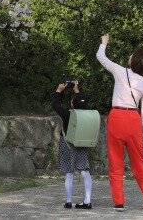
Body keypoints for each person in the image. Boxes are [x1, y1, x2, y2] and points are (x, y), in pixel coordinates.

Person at [97, 33, 143, 211]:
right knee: (139, 163)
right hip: (134, 120)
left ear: (135, 60)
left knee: (115, 163)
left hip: (117, 117)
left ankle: (119, 202)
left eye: (133, 55)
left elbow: (101, 57)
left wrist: (104, 43)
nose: (130, 56)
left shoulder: (120, 71)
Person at [52, 80, 94, 210]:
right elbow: (83, 101)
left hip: (67, 145)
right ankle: (87, 201)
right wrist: (77, 90)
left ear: (72, 104)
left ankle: (69, 201)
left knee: (69, 173)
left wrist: (59, 91)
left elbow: (55, 104)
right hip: (81, 145)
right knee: (85, 172)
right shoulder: (86, 114)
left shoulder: (67, 114)